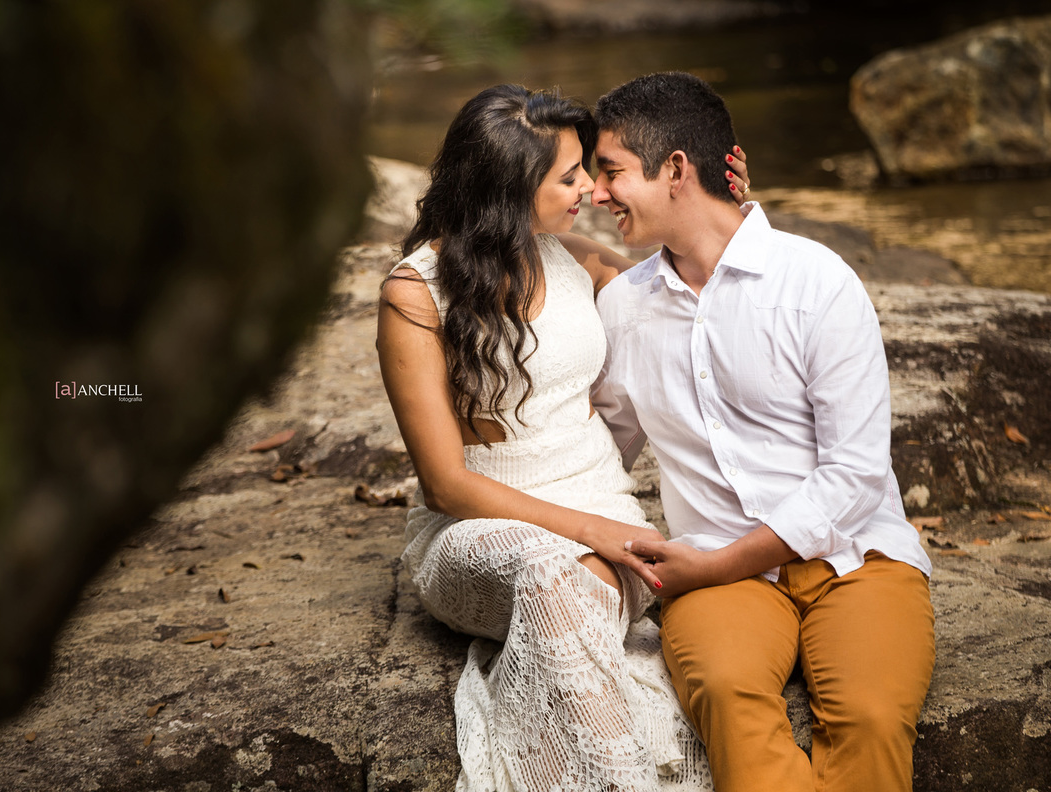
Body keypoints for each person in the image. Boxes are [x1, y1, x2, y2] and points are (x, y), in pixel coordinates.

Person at [377, 83, 747, 791]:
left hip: (606, 513)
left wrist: (728, 205)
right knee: (553, 578)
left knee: (570, 586)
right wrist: (590, 533)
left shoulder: (578, 259)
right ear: (510, 189)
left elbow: (703, 286)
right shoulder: (414, 294)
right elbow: (446, 485)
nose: (591, 190)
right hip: (476, 530)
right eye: (572, 176)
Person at [588, 72, 935, 792]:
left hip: (856, 558)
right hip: (716, 576)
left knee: (871, 717)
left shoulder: (817, 282)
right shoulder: (623, 309)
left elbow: (855, 474)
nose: (596, 193)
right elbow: (601, 453)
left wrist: (716, 565)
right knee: (728, 695)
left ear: (676, 170)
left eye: (611, 172)